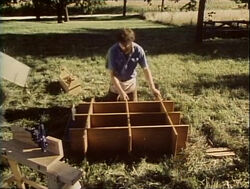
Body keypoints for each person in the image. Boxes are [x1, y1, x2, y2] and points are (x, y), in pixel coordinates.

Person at [106, 28, 161, 101]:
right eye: (122, 45)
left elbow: (146, 69)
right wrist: (121, 92)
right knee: (112, 109)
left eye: (126, 45)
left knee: (133, 106)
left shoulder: (138, 50)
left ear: (132, 41)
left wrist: (153, 88)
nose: (124, 47)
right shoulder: (112, 51)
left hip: (130, 85)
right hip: (116, 86)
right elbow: (113, 75)